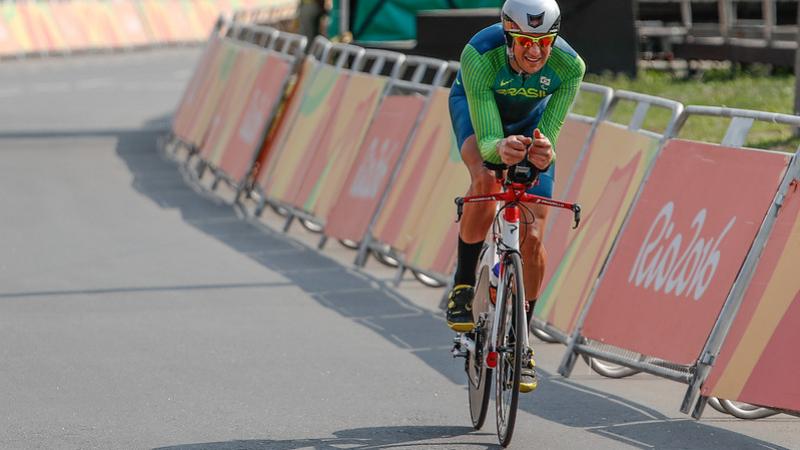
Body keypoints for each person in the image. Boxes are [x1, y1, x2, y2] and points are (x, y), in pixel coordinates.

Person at [446, 0, 585, 393]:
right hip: (478, 115)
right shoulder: (479, 54)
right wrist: (498, 150)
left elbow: (550, 133)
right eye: (525, 41)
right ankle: (461, 285)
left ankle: (522, 335)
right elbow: (490, 141)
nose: (536, 51)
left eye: (545, 42)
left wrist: (543, 152)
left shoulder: (570, 67)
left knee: (534, 233)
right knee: (486, 186)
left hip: (528, 123)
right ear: (508, 35)